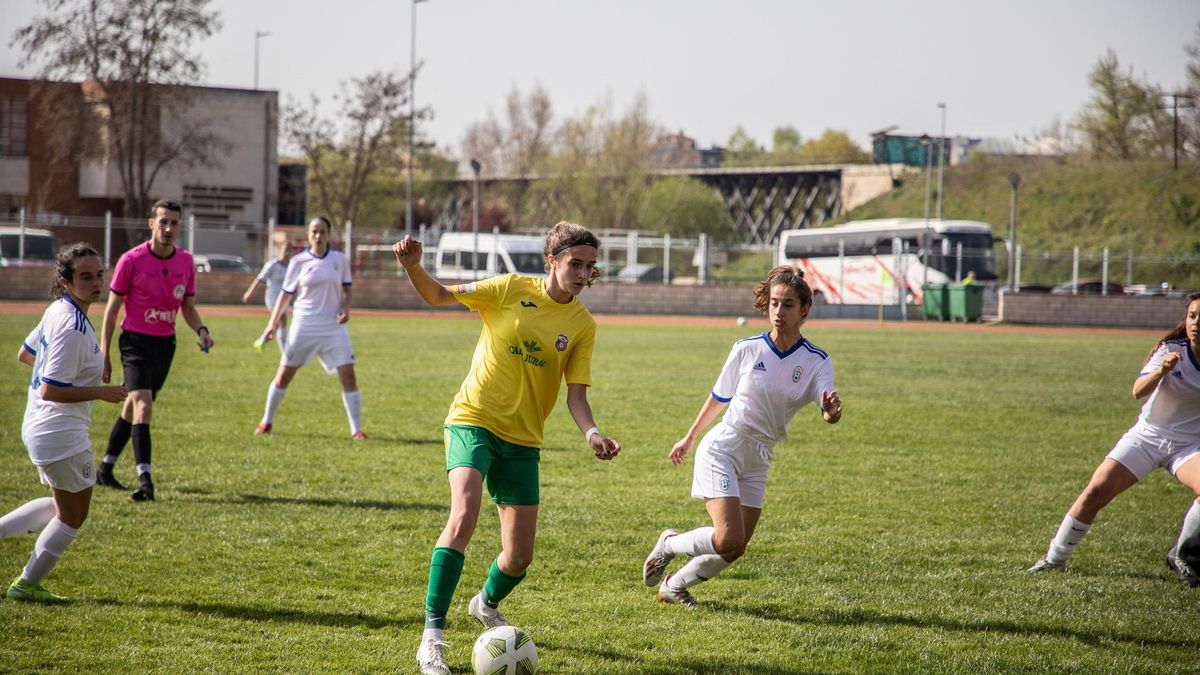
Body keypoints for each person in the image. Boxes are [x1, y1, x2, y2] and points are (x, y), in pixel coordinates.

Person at [393, 221, 622, 675]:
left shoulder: (582, 325)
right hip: (472, 419)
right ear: (552, 261)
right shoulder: (508, 288)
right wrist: (413, 267)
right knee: (463, 515)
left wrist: (592, 433)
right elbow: (439, 295)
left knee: (519, 557)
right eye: (574, 263)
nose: (582, 273)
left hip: (523, 441)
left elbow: (576, 395)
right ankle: (431, 640)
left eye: (589, 267)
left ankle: (485, 602)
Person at [641, 265, 842, 609]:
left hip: (760, 456)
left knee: (735, 548)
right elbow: (719, 396)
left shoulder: (816, 361)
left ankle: (674, 587)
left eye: (788, 305)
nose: (779, 312)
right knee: (727, 536)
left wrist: (831, 411)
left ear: (805, 309)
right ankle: (670, 544)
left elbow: (827, 407)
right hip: (724, 447)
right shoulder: (747, 348)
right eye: (774, 304)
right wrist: (688, 438)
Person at [1028, 292, 1200, 585]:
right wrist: (1162, 370)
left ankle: (1182, 554)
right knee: (1095, 492)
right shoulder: (1170, 349)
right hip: (1147, 438)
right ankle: (1055, 559)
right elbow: (1137, 391)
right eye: (1192, 316)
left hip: (1188, 446)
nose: (1195, 323)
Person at [3, 244, 127, 602]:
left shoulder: (58, 309)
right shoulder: (72, 325)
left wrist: (72, 371)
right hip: (59, 432)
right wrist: (101, 392)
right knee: (74, 514)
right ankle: (26, 583)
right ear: (65, 281)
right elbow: (51, 389)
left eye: (99, 275)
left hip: (41, 427)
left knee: (62, 504)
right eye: (85, 277)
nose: (96, 282)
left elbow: (26, 353)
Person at [97, 200, 213, 502]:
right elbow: (111, 311)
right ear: (152, 223)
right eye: (163, 221)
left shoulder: (186, 262)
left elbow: (187, 307)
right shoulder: (131, 260)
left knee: (133, 406)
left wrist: (201, 330)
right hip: (135, 341)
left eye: (174, 223)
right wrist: (105, 352)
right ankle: (145, 480)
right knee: (144, 406)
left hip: (166, 345)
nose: (169, 228)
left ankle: (105, 469)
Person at [254, 216, 365, 439]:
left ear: (329, 234)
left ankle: (356, 430)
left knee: (349, 375)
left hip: (333, 327)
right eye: (314, 231)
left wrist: (347, 310)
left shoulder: (340, 260)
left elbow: (347, 289)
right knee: (284, 375)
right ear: (308, 234)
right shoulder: (298, 262)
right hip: (304, 325)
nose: (318, 236)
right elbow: (285, 297)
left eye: (322, 231)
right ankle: (266, 422)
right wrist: (271, 325)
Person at [243, 239, 294, 352]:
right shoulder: (272, 264)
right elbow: (259, 279)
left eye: (290, 250)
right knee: (282, 320)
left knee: (276, 324)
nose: (287, 253)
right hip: (273, 296)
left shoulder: (291, 265)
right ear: (280, 250)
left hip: (284, 298)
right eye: (285, 249)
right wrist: (249, 293)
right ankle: (285, 352)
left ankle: (261, 340)